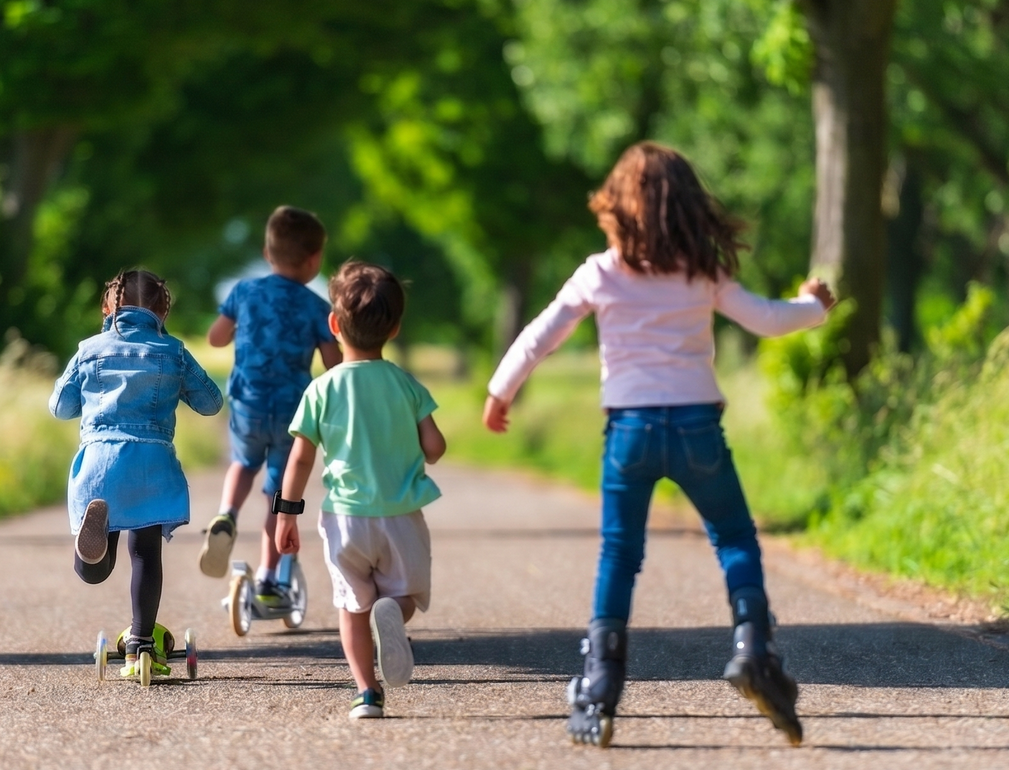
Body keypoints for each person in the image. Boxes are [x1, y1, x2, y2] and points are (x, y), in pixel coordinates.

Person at [484, 142, 835, 748]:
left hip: (630, 432)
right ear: (688, 207)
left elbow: (542, 334)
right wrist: (815, 306)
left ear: (616, 206)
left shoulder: (600, 271)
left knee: (620, 554)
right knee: (734, 539)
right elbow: (769, 320)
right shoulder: (703, 271)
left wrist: (500, 391)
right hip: (698, 427)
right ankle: (754, 647)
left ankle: (600, 685)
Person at [274, 260, 447, 720]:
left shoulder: (321, 388)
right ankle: (391, 612)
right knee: (402, 595)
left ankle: (367, 693)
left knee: (351, 607)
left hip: (344, 518)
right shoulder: (406, 385)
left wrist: (286, 514)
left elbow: (300, 458)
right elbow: (435, 448)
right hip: (401, 515)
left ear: (333, 325)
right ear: (395, 327)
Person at [50, 269, 223, 679]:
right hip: (151, 464)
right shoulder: (172, 351)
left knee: (97, 568)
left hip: (98, 464)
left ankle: (88, 554)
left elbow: (59, 407)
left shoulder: (89, 349)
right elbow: (212, 403)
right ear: (163, 310)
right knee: (145, 553)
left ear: (109, 308)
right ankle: (141, 644)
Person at [198, 206, 342, 610]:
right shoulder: (316, 308)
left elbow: (215, 338)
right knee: (279, 495)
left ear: (267, 251)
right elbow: (334, 366)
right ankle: (267, 580)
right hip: (292, 411)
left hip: (248, 401)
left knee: (242, 463)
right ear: (314, 261)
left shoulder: (243, 292)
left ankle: (226, 514)